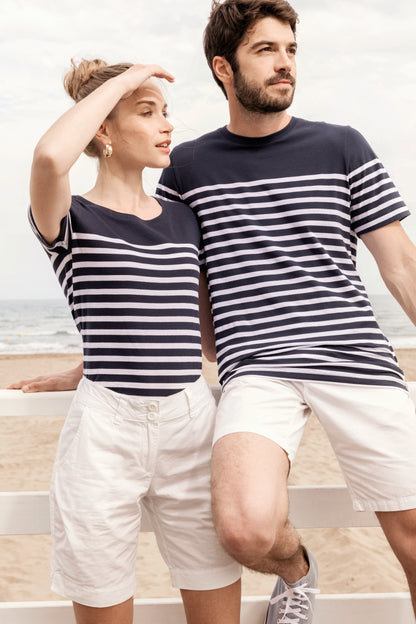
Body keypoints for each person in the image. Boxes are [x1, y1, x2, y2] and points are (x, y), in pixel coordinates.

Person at [11, 2, 416, 623]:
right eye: (266, 50)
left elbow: (399, 268)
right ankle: (295, 571)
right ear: (224, 68)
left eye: (290, 49)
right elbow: (62, 179)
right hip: (199, 391)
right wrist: (99, 363)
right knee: (227, 537)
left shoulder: (322, 154)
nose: (284, 63)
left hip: (295, 378)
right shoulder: (145, 187)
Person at [21, 57, 242, 624]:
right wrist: (123, 80)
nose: (167, 125)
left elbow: (190, 326)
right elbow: (49, 157)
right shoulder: (70, 216)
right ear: (102, 128)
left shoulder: (185, 220)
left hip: (192, 422)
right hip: (104, 433)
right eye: (147, 112)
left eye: (166, 111)